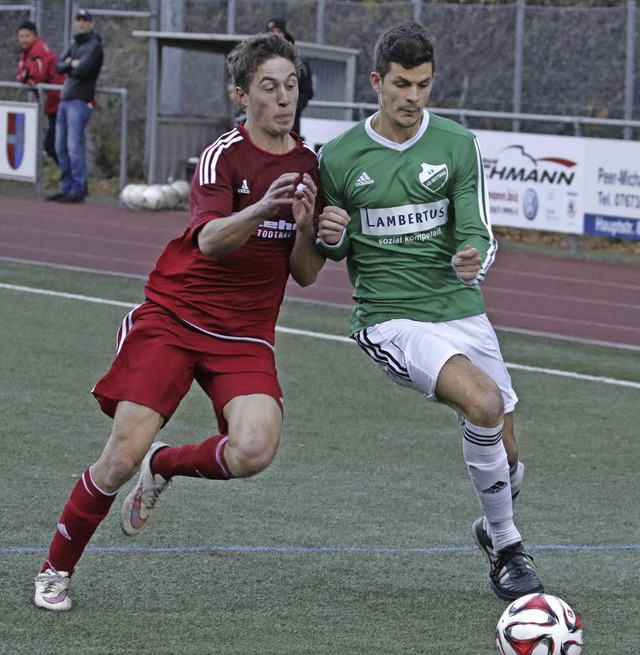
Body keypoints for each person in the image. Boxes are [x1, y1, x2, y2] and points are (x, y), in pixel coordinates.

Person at [34, 32, 324, 611]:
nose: (283, 97)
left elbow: (308, 273)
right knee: (118, 456)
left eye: (290, 85)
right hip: (177, 316)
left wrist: (308, 227)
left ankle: (166, 461)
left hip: (245, 334)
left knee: (254, 450)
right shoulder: (223, 156)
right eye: (269, 87)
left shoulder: (310, 164)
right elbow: (213, 240)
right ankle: (55, 569)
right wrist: (264, 207)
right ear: (240, 95)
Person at [315, 22, 544, 602]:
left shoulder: (456, 144)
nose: (412, 97)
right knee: (484, 402)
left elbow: (478, 228)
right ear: (376, 82)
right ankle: (510, 551)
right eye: (400, 84)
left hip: (460, 307)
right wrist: (332, 233)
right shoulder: (339, 157)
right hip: (391, 317)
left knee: (511, 463)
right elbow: (333, 248)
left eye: (422, 84)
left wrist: (474, 259)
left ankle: (493, 525)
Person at [46, 9, 103, 204]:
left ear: (91, 23)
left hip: (80, 101)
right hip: (66, 99)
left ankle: (79, 188)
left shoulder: (94, 46)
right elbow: (57, 66)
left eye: (84, 21)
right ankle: (66, 186)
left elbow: (83, 71)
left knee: (73, 146)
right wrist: (71, 63)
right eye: (78, 20)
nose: (81, 24)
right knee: (59, 146)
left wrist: (70, 65)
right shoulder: (74, 44)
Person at [15, 20, 66, 165]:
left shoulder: (38, 50)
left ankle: (72, 181)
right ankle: (70, 182)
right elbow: (19, 75)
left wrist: (26, 77)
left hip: (59, 102)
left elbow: (37, 76)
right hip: (51, 104)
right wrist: (26, 76)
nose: (24, 39)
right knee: (54, 146)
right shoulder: (27, 51)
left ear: (34, 36)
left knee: (53, 146)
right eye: (21, 36)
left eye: (27, 36)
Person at [266, 16, 313, 136]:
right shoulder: (258, 62)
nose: (275, 35)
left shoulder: (298, 62)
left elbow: (307, 91)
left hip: (290, 121)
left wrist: (293, 107)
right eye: (271, 32)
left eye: (278, 32)